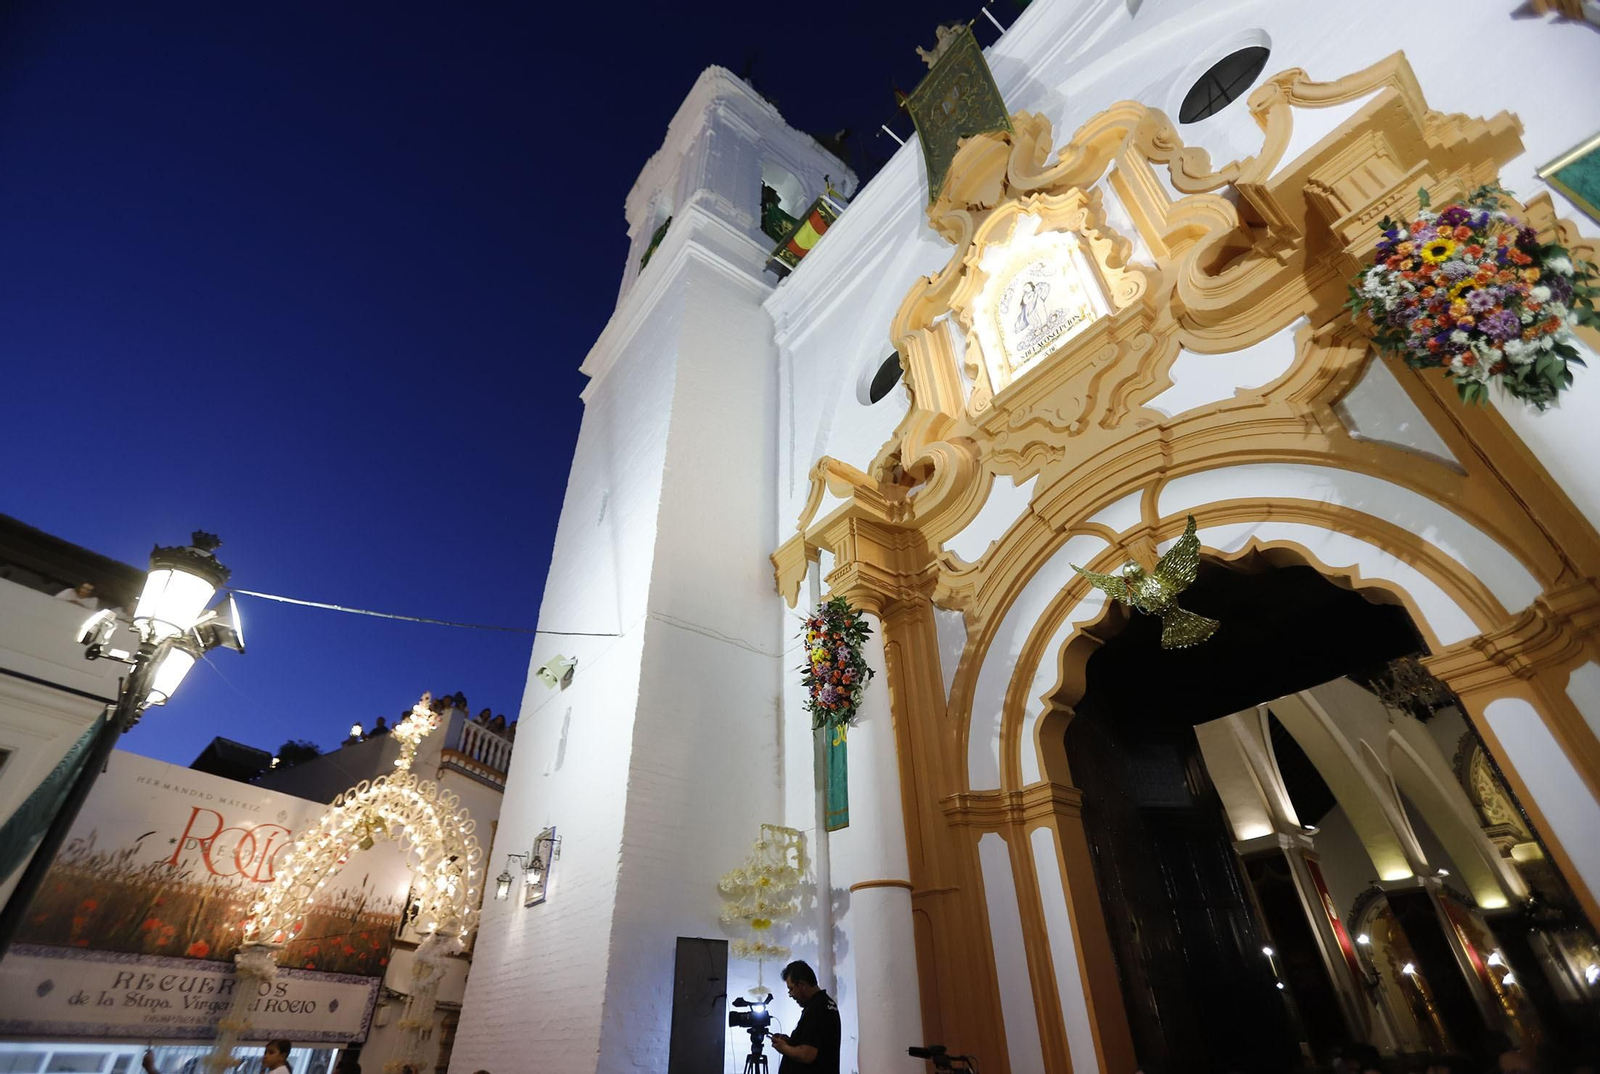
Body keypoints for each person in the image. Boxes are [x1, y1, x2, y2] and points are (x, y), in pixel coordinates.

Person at [770, 959, 840, 1074]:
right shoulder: (825, 1003)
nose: (790, 995)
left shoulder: (817, 1008)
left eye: (791, 989)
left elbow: (807, 1055)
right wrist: (791, 1042)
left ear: (801, 985)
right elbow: (815, 1042)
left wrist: (784, 1048)